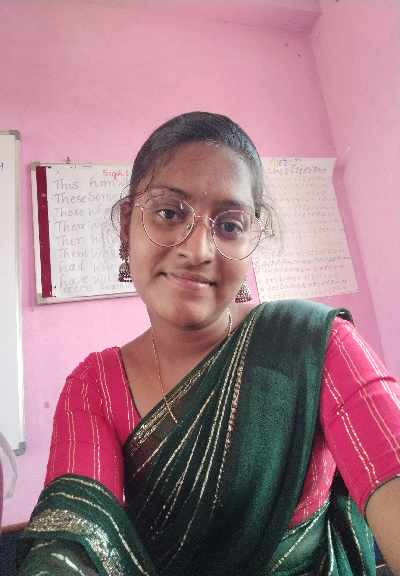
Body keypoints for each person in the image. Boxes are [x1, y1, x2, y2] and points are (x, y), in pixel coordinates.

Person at [18, 112, 400, 575]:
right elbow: (68, 544)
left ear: (252, 238)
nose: (198, 250)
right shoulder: (93, 387)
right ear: (127, 225)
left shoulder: (315, 345)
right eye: (169, 213)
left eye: (230, 225)